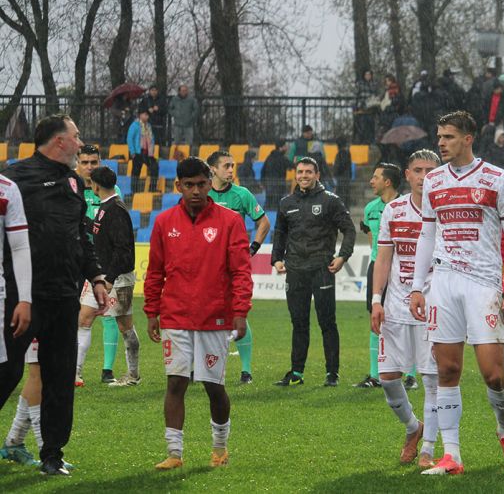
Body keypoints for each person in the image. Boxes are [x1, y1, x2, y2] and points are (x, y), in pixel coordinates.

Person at [408, 111, 504, 475]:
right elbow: (427, 234)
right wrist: (417, 286)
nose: (441, 143)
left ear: (468, 138)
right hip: (443, 282)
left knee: (493, 373)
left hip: (483, 283)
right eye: (439, 136)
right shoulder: (434, 181)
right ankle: (452, 455)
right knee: (447, 369)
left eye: (448, 137)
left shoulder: (495, 178)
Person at [0, 114, 108, 475]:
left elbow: (81, 236)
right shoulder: (15, 178)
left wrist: (95, 276)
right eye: (76, 138)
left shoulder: (76, 183)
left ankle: (52, 454)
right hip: (21, 296)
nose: (81, 145)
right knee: (7, 370)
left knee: (60, 377)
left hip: (64, 295)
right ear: (59, 141)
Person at [145, 157, 252, 470]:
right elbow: (155, 272)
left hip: (214, 318)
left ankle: (219, 447)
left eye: (201, 184)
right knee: (175, 383)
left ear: (209, 184)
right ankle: (174, 453)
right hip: (175, 316)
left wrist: (240, 311)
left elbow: (241, 271)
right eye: (188, 185)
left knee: (213, 386)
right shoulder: (164, 222)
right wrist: (152, 310)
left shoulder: (230, 221)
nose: (195, 191)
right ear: (178, 186)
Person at [370, 150, 442, 467]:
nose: (424, 176)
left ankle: (427, 448)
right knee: (387, 377)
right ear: (408, 175)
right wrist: (376, 299)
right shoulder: (394, 210)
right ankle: (414, 428)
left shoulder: (446, 211)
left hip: (433, 306)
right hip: (396, 305)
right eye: (418, 170)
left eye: (430, 170)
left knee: (431, 379)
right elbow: (384, 258)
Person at [271, 157, 356, 387]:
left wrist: (342, 256)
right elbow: (280, 233)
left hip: (322, 268)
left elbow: (348, 229)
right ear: (295, 174)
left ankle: (332, 374)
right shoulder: (286, 202)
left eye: (309, 172)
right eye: (300, 172)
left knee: (327, 322)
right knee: (298, 323)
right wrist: (276, 259)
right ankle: (297, 373)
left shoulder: (330, 201)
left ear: (317, 175)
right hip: (295, 270)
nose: (304, 176)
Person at [207, 151, 271, 384]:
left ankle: (246, 370)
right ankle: (202, 366)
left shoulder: (242, 194)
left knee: (238, 312)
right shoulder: (202, 195)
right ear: (212, 169)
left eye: (232, 166)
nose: (231, 170)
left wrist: (252, 248)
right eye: (226, 166)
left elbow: (264, 222)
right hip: (207, 266)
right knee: (204, 314)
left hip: (233, 266)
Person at [77, 166, 139, 388]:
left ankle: (133, 375)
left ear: (95, 185)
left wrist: (110, 278)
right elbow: (101, 231)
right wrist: (83, 220)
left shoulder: (116, 209)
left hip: (117, 278)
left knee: (125, 326)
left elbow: (123, 250)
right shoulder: (106, 207)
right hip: (101, 275)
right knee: (83, 318)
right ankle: (75, 373)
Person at [73, 144, 124, 386]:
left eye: (94, 162)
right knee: (74, 317)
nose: (90, 167)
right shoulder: (69, 186)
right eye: (85, 162)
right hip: (71, 261)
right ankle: (69, 369)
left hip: (99, 264)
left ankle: (106, 370)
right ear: (77, 163)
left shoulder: (111, 191)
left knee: (107, 315)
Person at [355, 162, 405, 389]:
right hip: (378, 265)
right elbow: (371, 240)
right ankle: (375, 375)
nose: (371, 181)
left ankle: (410, 374)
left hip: (403, 267)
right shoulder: (370, 209)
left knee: (406, 320)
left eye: (375, 177)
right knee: (375, 318)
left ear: (388, 182)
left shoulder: (407, 205)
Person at [0, 166, 34, 467]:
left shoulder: (7, 189)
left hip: (4, 295)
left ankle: (14, 441)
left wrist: (25, 298)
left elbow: (20, 246)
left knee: (10, 369)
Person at [127, 108, 159, 192]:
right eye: (145, 115)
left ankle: (152, 189)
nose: (146, 117)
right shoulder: (135, 125)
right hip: (138, 152)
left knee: (154, 167)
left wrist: (152, 150)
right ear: (140, 115)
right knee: (136, 172)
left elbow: (152, 138)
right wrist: (132, 151)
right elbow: (130, 138)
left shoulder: (148, 126)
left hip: (148, 153)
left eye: (147, 115)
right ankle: (134, 191)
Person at [262, 139, 292, 211]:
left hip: (269, 183)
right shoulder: (282, 158)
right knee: (277, 204)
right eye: (285, 146)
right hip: (279, 184)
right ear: (281, 147)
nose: (287, 148)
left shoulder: (269, 157)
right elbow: (292, 165)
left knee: (268, 202)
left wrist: (262, 182)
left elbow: (263, 170)